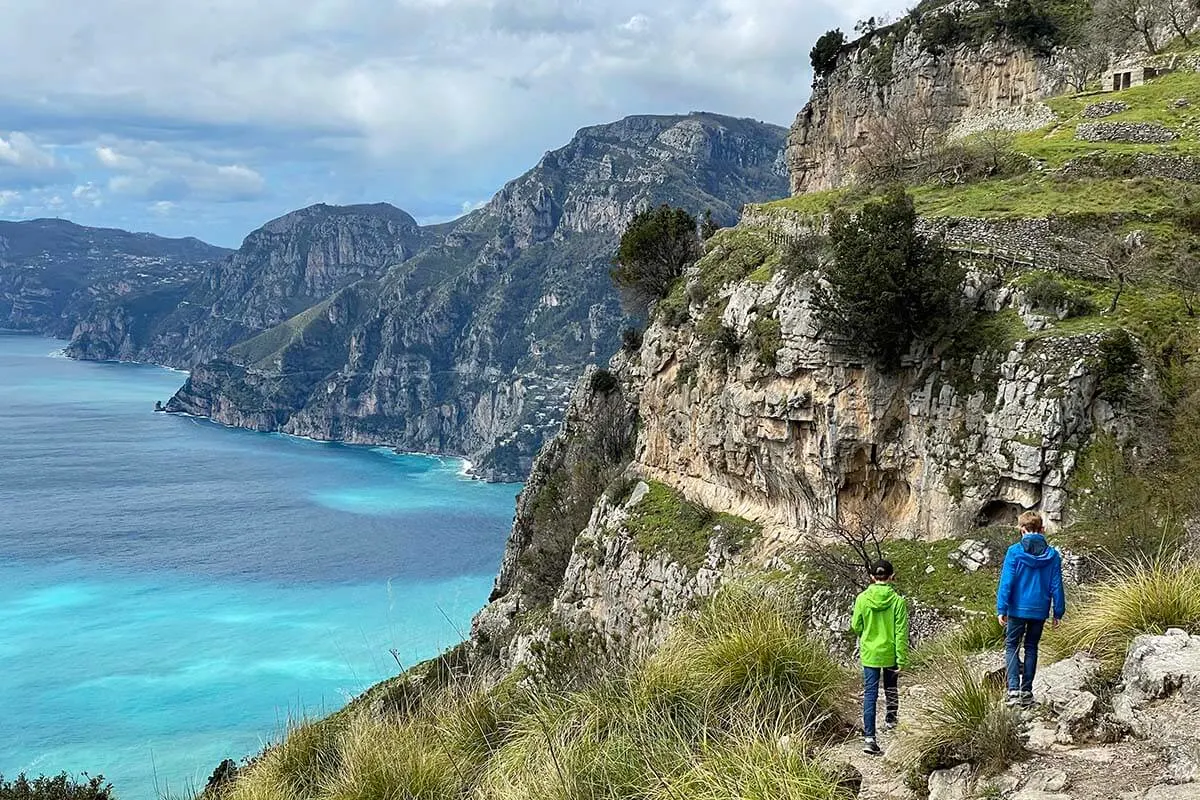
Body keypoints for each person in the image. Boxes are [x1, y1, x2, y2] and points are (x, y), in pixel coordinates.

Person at [996, 510, 1066, 707]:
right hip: (1039, 610)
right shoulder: (1053, 556)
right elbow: (1056, 585)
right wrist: (1058, 611)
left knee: (1012, 646)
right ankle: (1027, 691)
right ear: (1042, 530)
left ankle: (1013, 691)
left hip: (1017, 609)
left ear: (1022, 530)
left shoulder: (1014, 552)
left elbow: (1007, 582)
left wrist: (1002, 608)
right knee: (1032, 647)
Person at [851, 559, 910, 755]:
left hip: (870, 653)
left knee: (870, 694)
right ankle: (891, 721)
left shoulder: (862, 599)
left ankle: (869, 739)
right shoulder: (898, 602)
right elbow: (901, 633)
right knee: (891, 687)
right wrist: (902, 659)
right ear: (892, 576)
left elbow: (855, 625)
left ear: (871, 577)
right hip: (890, 652)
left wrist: (867, 634)